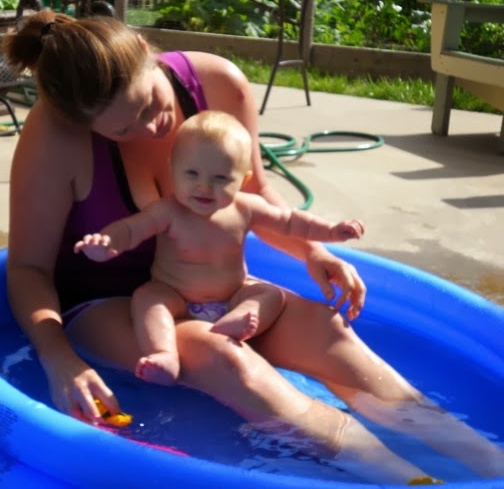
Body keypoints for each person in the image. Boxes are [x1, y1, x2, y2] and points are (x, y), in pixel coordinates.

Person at [3, 9, 504, 484]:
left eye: (150, 104)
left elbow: (255, 197)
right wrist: (60, 359)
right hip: (115, 303)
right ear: (87, 124)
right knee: (228, 361)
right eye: (122, 130)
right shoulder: (56, 135)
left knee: (328, 331)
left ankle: (489, 461)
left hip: (210, 282)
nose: (151, 127)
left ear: (144, 48)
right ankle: (407, 480)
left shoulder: (217, 85)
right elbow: (27, 267)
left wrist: (315, 253)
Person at [74, 110, 365, 387]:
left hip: (232, 296)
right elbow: (130, 229)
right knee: (147, 299)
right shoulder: (168, 212)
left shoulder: (246, 208)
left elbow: (290, 222)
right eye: (192, 174)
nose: (204, 186)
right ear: (173, 169)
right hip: (176, 297)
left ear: (243, 180)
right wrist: (107, 242)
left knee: (270, 294)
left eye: (220, 178)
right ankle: (164, 353)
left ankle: (239, 321)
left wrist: (331, 231)